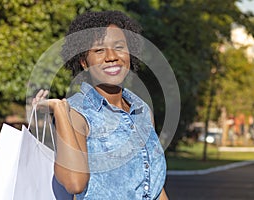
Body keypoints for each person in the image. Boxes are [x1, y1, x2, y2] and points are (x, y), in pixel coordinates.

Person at [33, 10, 168, 200]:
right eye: (99, 50)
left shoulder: (142, 110)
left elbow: (154, 186)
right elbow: (74, 183)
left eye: (119, 47)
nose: (111, 56)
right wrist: (60, 110)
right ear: (84, 62)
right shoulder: (77, 112)